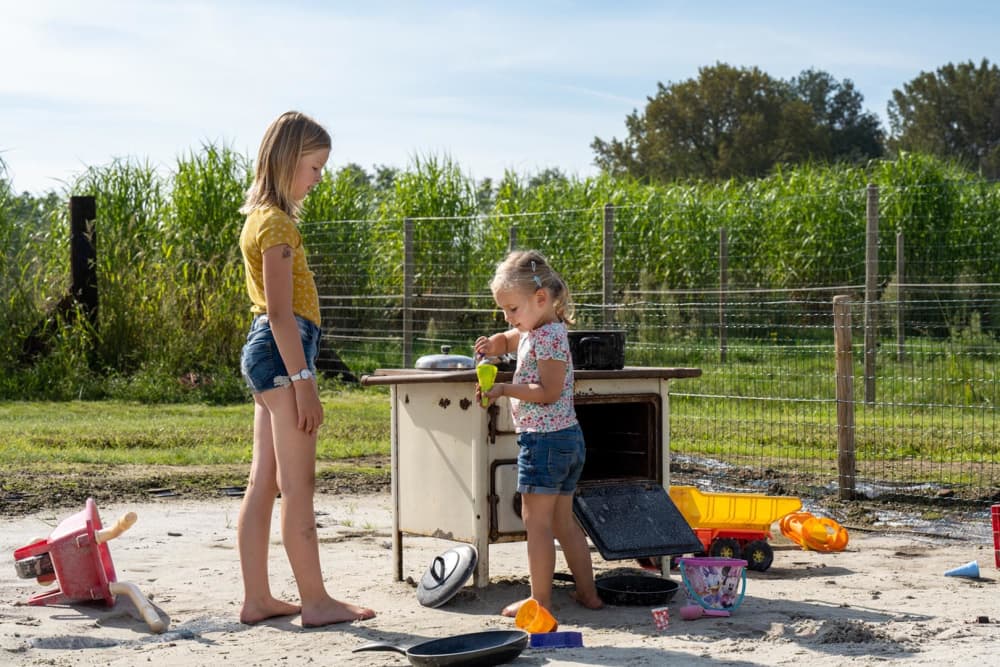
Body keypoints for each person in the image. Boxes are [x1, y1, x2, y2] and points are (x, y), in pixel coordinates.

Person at [237, 111, 375, 627]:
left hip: (269, 354)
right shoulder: (276, 224)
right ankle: (315, 602)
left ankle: (258, 599)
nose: (318, 178)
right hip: (282, 355)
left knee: (264, 481)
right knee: (298, 487)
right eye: (314, 167)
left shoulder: (261, 218)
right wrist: (304, 382)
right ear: (287, 160)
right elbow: (279, 314)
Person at [474, 249, 603, 618]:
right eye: (503, 310)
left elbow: (548, 392)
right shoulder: (539, 330)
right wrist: (494, 344)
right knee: (563, 522)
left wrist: (503, 389)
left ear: (541, 299)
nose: (508, 317)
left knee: (538, 524)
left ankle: (540, 601)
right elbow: (510, 338)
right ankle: (588, 594)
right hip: (566, 440)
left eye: (512, 308)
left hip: (544, 441)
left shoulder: (545, 338)